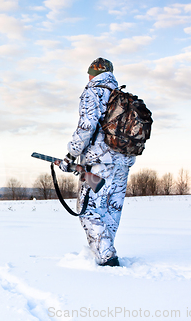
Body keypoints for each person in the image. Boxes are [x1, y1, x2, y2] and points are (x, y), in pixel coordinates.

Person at [55, 57, 135, 267]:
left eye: (89, 73)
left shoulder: (93, 91)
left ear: (93, 73)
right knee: (111, 209)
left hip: (99, 162)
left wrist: (71, 155)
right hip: (123, 161)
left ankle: (106, 258)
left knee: (88, 210)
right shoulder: (120, 96)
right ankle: (106, 251)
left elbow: (87, 126)